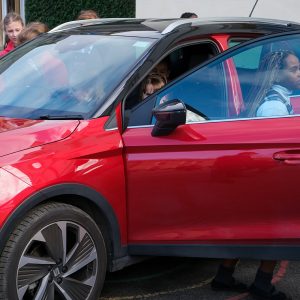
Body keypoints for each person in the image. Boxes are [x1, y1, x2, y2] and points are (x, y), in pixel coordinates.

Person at [248, 50, 300, 117]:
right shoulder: (274, 108)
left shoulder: (279, 98)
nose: (299, 73)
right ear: (277, 76)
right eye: (293, 70)